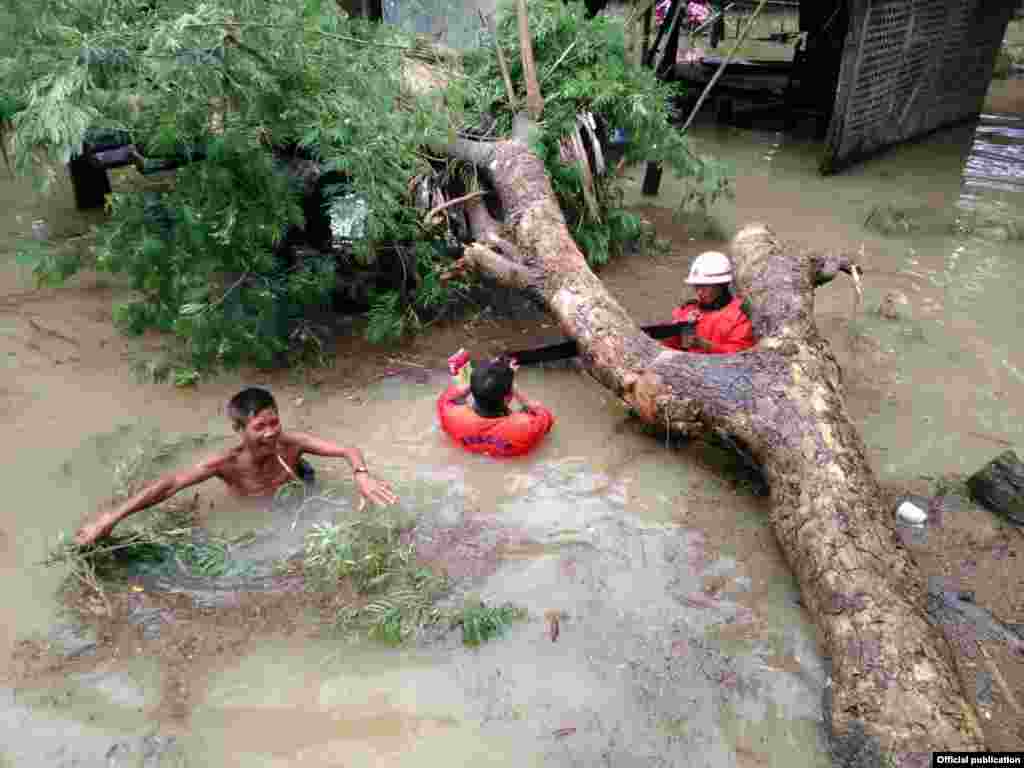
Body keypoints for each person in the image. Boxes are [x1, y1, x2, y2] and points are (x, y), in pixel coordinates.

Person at [74, 387, 398, 546]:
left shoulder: (291, 443)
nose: (271, 432)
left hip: (299, 486)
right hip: (256, 509)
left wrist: (362, 476)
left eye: (274, 422)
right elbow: (170, 483)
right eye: (260, 427)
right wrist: (110, 519)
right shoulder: (227, 463)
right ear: (239, 430)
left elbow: (347, 449)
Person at [437, 356, 555, 458]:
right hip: (511, 456)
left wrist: (480, 380)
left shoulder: (451, 417)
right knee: (526, 410)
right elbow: (545, 416)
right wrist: (517, 392)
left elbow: (450, 397)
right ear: (508, 397)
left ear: (472, 391)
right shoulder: (527, 427)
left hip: (472, 447)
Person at [662, 251, 755, 354]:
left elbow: (741, 355)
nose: (699, 291)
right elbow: (666, 347)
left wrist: (705, 345)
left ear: (722, 285)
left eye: (705, 286)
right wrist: (675, 330)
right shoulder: (687, 310)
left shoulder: (740, 316)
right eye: (696, 285)